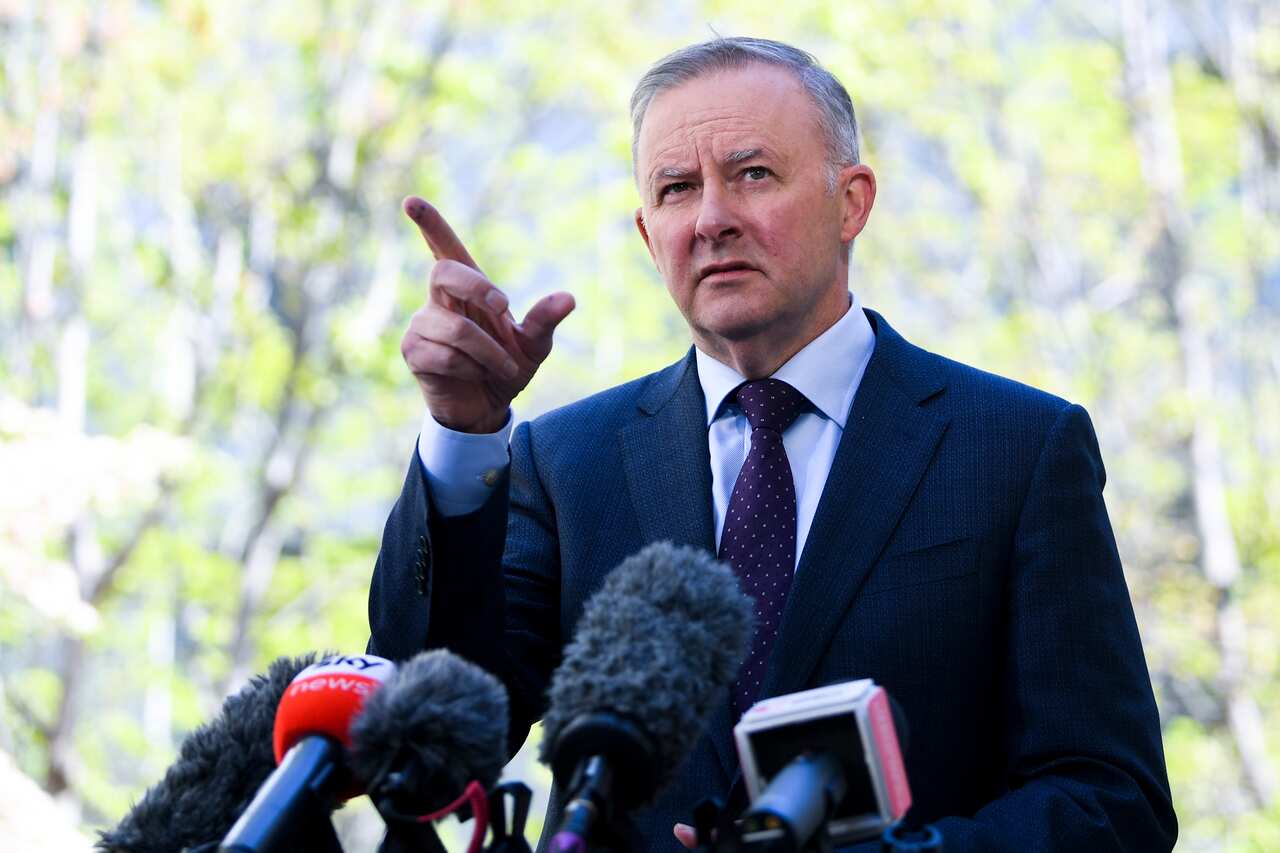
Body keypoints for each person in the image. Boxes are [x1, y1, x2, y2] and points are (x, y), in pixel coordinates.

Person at [367, 37, 1177, 851]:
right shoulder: (567, 463)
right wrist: (464, 434)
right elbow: (430, 749)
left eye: (752, 174)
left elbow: (1110, 798)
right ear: (650, 237)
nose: (712, 218)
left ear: (851, 201)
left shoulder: (1018, 448)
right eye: (677, 189)